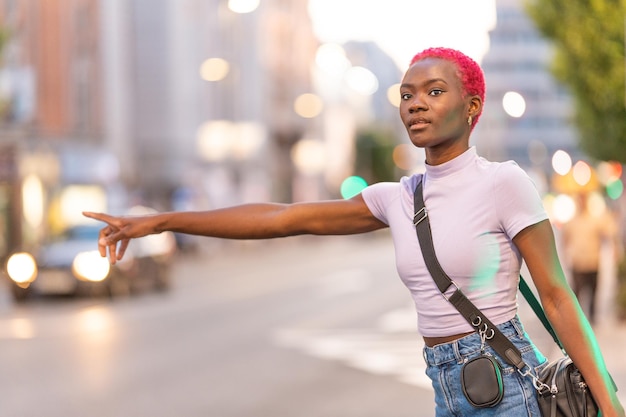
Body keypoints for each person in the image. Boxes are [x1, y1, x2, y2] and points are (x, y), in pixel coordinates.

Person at [83, 47, 624, 416]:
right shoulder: (398, 197)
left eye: (434, 92)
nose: (415, 103)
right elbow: (282, 217)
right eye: (406, 94)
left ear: (472, 106)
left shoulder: (504, 183)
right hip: (448, 388)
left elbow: (556, 297)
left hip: (509, 388)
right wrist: (158, 220)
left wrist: (608, 403)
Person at [561, 192, 620, 324]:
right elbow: (565, 239)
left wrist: (614, 249)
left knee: (593, 292)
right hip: (578, 262)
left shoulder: (595, 220)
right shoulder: (572, 221)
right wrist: (565, 255)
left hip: (592, 262)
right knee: (577, 293)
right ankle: (577, 320)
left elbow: (607, 234)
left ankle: (592, 319)